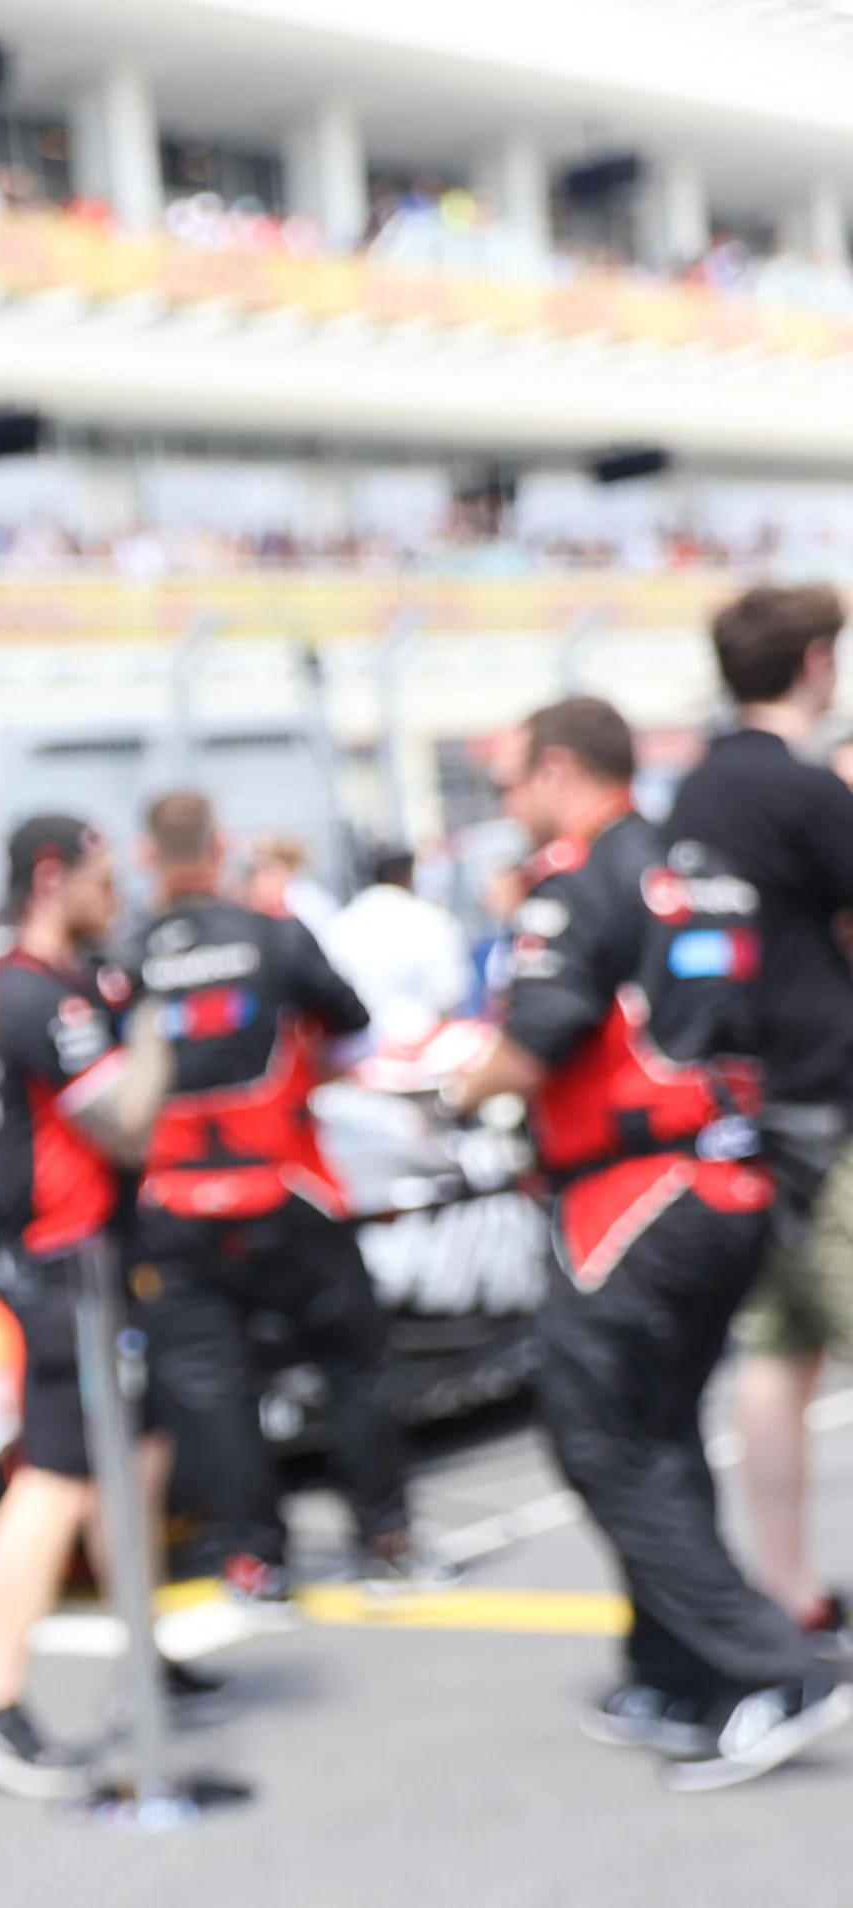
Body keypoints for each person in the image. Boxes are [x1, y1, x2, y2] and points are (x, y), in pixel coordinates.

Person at [442, 695, 843, 1789]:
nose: (508, 806)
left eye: (513, 781)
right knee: (656, 1433)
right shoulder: (698, 867)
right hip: (723, 1183)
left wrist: (445, 1086)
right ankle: (676, 1671)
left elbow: (527, 1046)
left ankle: (773, 1668)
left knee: (598, 1439)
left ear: (561, 770)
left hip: (630, 1201)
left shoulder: (574, 883)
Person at [0, 814, 180, 1801]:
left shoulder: (55, 980)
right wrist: (162, 1012)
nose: (112, 893)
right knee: (57, 1477)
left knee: (139, 1449)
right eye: (96, 877)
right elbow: (122, 1124)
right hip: (60, 1265)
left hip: (97, 1259)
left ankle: (139, 1660)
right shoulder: (33, 991)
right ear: (47, 879)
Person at [123, 792, 418, 1598]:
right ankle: (383, 1537)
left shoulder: (122, 956)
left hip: (174, 1201)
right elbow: (354, 1028)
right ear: (221, 847)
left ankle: (253, 1558)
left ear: (145, 856)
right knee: (354, 1362)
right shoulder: (273, 931)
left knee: (213, 1387)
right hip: (284, 1187)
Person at [666, 586, 853, 1643]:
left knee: (776, 1352)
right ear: (815, 664)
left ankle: (785, 1589)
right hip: (826, 1097)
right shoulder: (801, 790)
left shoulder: (691, 791)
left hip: (734, 1107)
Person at [319, 847, 472, 1050]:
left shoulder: (338, 926)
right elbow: (450, 996)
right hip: (424, 1054)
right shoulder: (432, 920)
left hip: (354, 1055)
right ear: (407, 874)